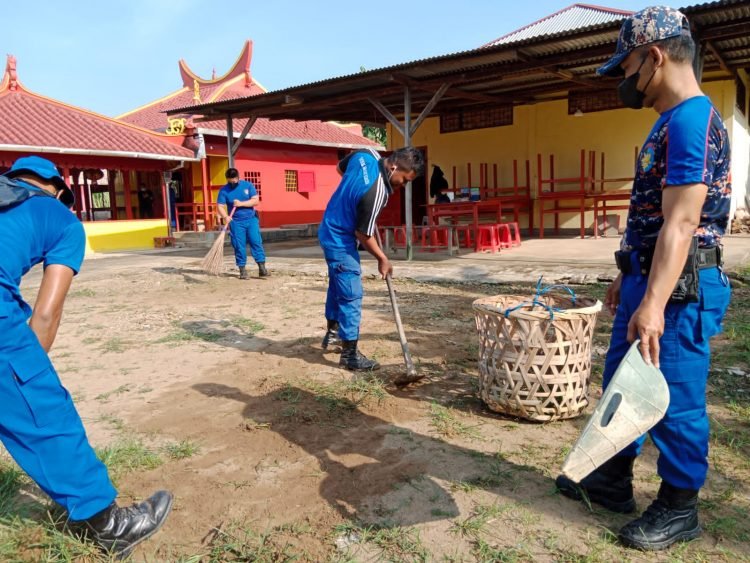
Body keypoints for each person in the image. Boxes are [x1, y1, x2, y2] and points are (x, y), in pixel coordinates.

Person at [555, 6, 732, 551]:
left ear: (654, 57)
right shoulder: (668, 120)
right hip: (648, 283)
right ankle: (610, 478)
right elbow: (652, 217)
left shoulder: (692, 120)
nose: (625, 81)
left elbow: (682, 222)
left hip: (677, 295)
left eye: (627, 68)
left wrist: (653, 303)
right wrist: (627, 275)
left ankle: (680, 506)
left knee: (672, 398)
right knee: (620, 386)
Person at [0, 156, 173, 558]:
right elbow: (46, 313)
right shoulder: (60, 218)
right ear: (59, 190)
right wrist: (28, 375)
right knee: (44, 413)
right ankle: (107, 524)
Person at [318, 147, 424, 370]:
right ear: (394, 167)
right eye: (404, 180)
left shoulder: (365, 154)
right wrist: (383, 258)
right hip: (340, 237)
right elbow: (363, 234)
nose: (402, 185)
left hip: (328, 225)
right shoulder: (377, 192)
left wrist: (354, 202)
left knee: (337, 284)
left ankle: (333, 333)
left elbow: (340, 169)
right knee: (351, 292)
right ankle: (350, 355)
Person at [217, 168, 268, 279]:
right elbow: (220, 206)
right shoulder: (224, 190)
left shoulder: (247, 185)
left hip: (251, 219)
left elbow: (255, 201)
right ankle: (242, 270)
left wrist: (241, 204)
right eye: (230, 180)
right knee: (239, 246)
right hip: (236, 222)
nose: (233, 182)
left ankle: (262, 267)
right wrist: (225, 216)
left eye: (235, 180)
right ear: (227, 179)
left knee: (256, 241)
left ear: (238, 177)